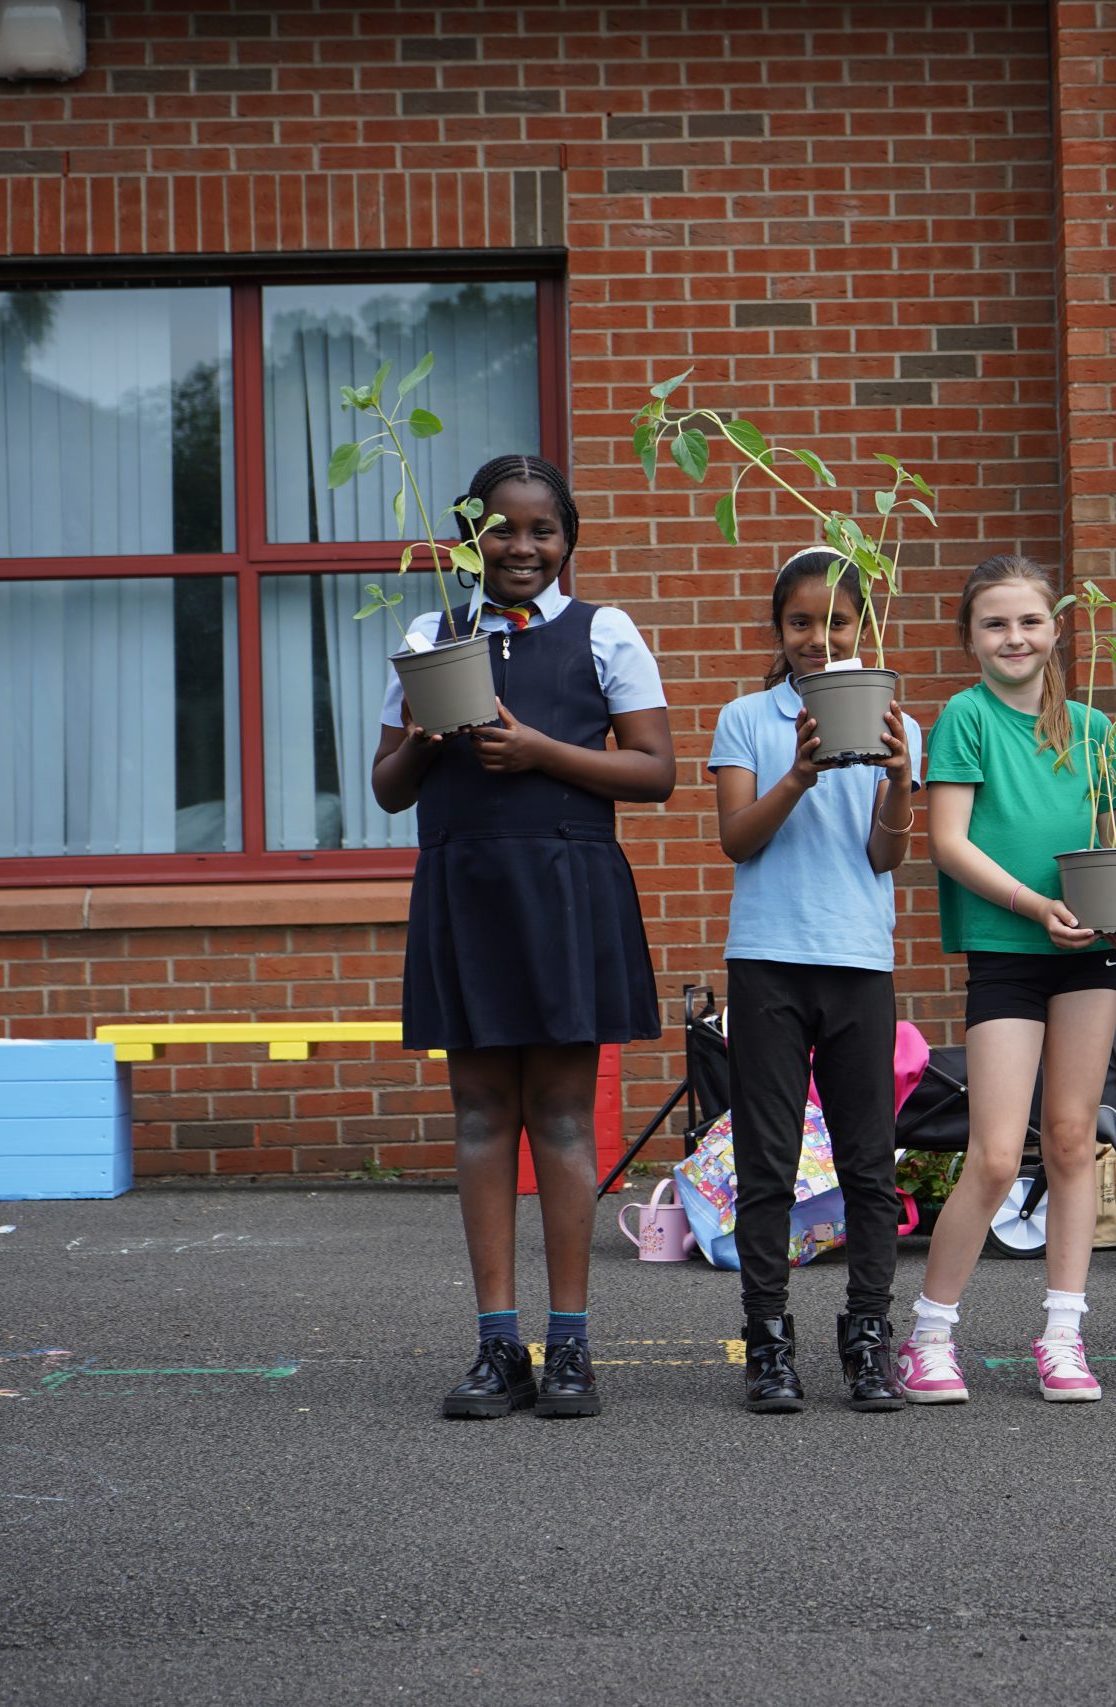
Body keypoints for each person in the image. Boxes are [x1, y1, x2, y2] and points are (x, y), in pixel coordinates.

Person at [372, 453, 675, 1421]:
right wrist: (427, 728)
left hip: (566, 883)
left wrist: (542, 752)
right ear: (470, 539)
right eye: (501, 528)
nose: (522, 546)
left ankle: (572, 1345)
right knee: (478, 1115)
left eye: (543, 530)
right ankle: (498, 1346)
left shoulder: (605, 633)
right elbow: (387, 788)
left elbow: (657, 772)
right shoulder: (432, 632)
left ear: (567, 541)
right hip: (467, 883)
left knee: (559, 1115)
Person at [897, 554, 1116, 1404]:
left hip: (1088, 957)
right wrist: (1035, 906)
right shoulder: (964, 717)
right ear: (971, 638)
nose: (1015, 636)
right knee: (998, 1154)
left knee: (1076, 1140)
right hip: (1009, 950)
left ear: (1056, 629)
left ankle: (1064, 1336)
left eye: (1030, 620)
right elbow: (949, 843)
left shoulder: (1097, 731)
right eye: (996, 623)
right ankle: (929, 1333)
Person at [708, 548, 921, 1414]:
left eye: (835, 621)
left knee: (870, 1165)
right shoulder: (747, 719)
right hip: (767, 961)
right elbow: (737, 838)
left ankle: (867, 1337)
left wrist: (900, 781)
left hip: (859, 963)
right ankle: (768, 1341)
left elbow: (886, 853)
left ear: (860, 629)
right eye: (800, 621)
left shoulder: (894, 722)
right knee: (767, 1161)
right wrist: (798, 772)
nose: (816, 637)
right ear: (778, 629)